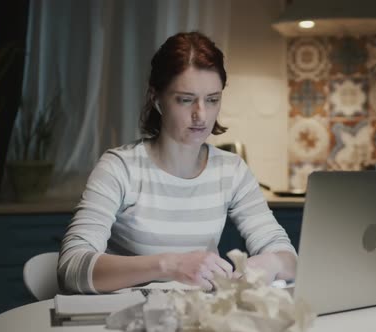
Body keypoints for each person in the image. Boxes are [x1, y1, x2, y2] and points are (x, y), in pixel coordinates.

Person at [58, 31, 297, 294]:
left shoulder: (231, 170)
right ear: (157, 99)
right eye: (185, 100)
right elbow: (72, 268)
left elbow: (288, 259)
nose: (201, 115)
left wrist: (271, 261)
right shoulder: (120, 168)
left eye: (212, 99)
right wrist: (169, 265)